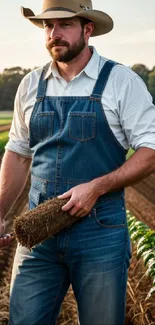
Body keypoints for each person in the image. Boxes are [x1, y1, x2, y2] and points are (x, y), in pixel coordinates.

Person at [0, 0, 155, 324]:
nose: (54, 33)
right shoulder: (30, 85)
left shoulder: (120, 81)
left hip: (100, 232)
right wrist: (0, 213)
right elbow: (17, 153)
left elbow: (150, 149)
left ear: (87, 29)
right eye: (48, 26)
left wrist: (98, 187)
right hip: (38, 234)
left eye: (64, 24)